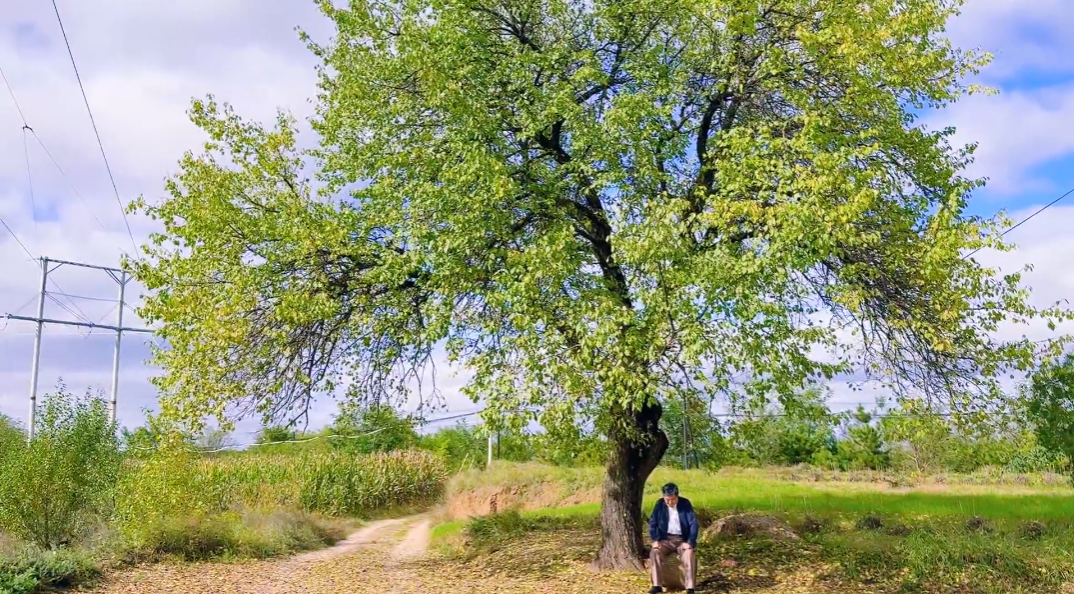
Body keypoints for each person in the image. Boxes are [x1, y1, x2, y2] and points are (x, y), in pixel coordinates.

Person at [647, 482, 699, 594]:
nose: (670, 502)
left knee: (689, 554)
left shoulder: (685, 504)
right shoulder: (660, 504)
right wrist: (655, 540)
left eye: (673, 499)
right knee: (654, 552)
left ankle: (690, 587)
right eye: (667, 500)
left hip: (682, 540)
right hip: (665, 539)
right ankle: (657, 585)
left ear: (677, 496)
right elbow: (652, 523)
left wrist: (690, 542)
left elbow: (693, 524)